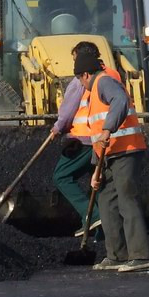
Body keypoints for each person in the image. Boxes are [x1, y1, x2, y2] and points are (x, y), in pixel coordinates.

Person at [78, 50, 149, 273]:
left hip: (126, 151)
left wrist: (108, 128)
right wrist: (95, 170)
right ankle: (116, 255)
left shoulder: (104, 82)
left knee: (126, 199)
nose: (80, 84)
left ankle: (140, 256)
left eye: (78, 80)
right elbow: (97, 138)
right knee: (106, 200)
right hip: (109, 155)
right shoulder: (93, 94)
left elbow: (120, 101)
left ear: (84, 75)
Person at [50, 41, 104, 238]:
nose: (74, 66)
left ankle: (93, 215)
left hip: (84, 140)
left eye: (75, 59)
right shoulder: (109, 77)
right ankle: (97, 230)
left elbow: (68, 110)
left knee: (61, 176)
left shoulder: (80, 80)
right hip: (103, 139)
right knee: (97, 183)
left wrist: (58, 127)